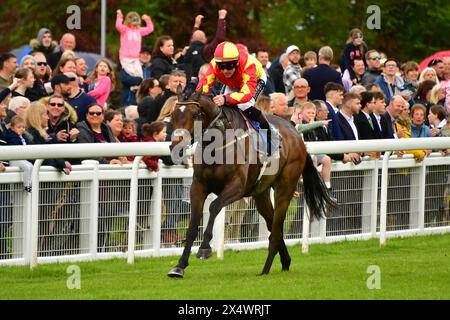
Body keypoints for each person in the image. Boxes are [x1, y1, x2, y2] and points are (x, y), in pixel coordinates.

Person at [197, 41, 278, 156]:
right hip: (233, 82)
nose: (225, 70)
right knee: (221, 107)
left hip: (255, 80)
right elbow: (203, 85)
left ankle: (270, 132)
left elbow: (246, 94)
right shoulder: (214, 63)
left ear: (236, 62)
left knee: (244, 105)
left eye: (229, 66)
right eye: (222, 67)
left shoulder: (248, 64)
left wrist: (226, 98)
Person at [24, 100, 72, 174]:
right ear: (37, 117)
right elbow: (41, 158)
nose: (48, 118)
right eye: (45, 114)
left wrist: (61, 164)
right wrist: (62, 164)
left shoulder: (39, 134)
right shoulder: (32, 135)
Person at [184, 9, 227, 81]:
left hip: (189, 83)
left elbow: (193, 41)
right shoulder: (206, 50)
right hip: (204, 82)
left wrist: (196, 25)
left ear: (192, 39)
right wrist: (221, 19)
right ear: (205, 40)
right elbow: (219, 39)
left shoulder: (189, 50)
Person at [115, 9, 154, 79]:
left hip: (136, 57)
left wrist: (147, 19)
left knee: (139, 74)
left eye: (136, 18)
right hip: (125, 57)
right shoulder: (124, 29)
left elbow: (150, 29)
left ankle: (137, 88)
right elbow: (118, 26)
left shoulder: (139, 30)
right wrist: (119, 15)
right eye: (132, 18)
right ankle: (132, 87)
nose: (134, 20)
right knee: (130, 72)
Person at [4, 115, 34, 192]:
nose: (22, 129)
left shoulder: (23, 136)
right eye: (19, 127)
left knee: (31, 166)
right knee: (27, 167)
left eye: (23, 127)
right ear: (12, 127)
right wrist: (18, 137)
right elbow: (13, 144)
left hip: (22, 159)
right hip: (14, 159)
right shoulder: (11, 135)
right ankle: (26, 185)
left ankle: (30, 183)